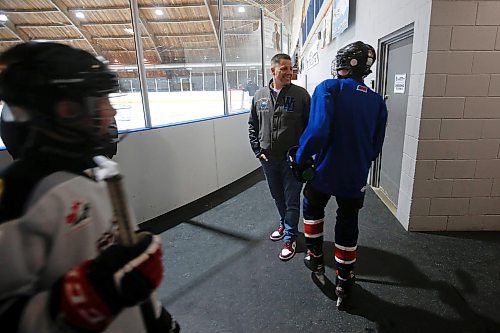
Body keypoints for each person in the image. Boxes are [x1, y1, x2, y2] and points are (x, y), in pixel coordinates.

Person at [0, 42, 179, 332]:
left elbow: (121, 269)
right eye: (101, 101)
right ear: (66, 110)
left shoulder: (100, 170)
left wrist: (154, 317)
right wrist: (91, 296)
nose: (111, 112)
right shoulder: (20, 195)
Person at [294, 41, 387, 302]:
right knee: (348, 222)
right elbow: (375, 147)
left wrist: (301, 157)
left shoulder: (328, 88)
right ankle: (344, 281)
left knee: (312, 206)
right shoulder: (377, 101)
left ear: (348, 63)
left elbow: (318, 130)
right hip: (355, 174)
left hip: (325, 171)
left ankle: (314, 257)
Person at [248, 53, 311, 261]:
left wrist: (305, 154)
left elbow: (311, 127)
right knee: (278, 196)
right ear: (272, 70)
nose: (289, 72)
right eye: (284, 69)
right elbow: (253, 125)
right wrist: (258, 150)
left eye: (291, 69)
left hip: (292, 160)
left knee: (292, 200)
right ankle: (285, 224)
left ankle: (290, 237)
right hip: (268, 159)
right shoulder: (259, 96)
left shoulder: (301, 95)